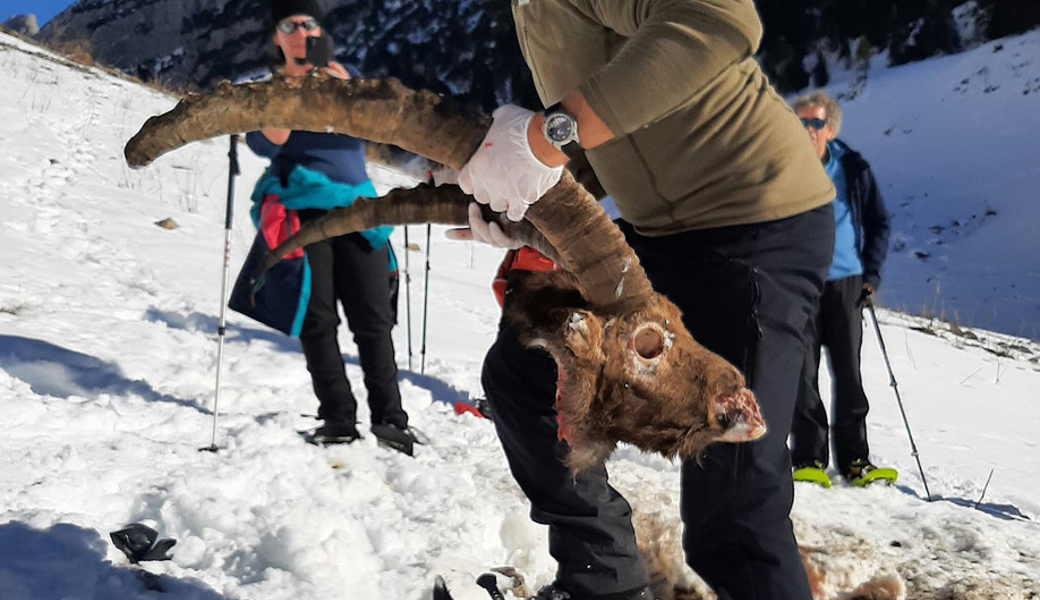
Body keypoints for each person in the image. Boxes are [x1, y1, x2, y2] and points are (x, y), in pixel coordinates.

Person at [448, 1, 838, 599]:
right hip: (662, 232)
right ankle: (601, 578)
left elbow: (719, 19)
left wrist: (547, 138)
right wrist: (525, 192)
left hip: (758, 223)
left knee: (732, 504)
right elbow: (622, 130)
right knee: (526, 372)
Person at [244, 0, 416, 453]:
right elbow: (267, 142)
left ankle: (391, 419)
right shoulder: (268, 91)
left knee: (373, 320)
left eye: (308, 23)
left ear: (321, 31)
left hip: (358, 210)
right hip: (300, 209)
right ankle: (338, 417)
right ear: (275, 37)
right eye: (289, 24)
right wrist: (291, 88)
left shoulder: (345, 79)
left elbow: (371, 126)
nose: (301, 31)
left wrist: (337, 86)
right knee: (317, 320)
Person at [788, 91, 895, 488]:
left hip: (847, 285)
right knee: (802, 375)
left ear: (829, 129)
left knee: (849, 374)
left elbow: (879, 221)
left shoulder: (852, 168)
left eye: (814, 123)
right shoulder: (785, 167)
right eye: (799, 122)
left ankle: (855, 461)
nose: (806, 130)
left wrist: (872, 276)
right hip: (801, 284)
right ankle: (809, 460)